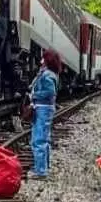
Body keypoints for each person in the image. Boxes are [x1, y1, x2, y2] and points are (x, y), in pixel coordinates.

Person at [29, 49, 61, 179]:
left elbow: (50, 92)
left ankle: (40, 171)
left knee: (38, 140)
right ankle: (44, 167)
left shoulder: (47, 75)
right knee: (44, 139)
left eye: (43, 58)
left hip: (43, 108)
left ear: (47, 60)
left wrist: (34, 95)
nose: (41, 60)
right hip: (46, 108)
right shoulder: (51, 73)